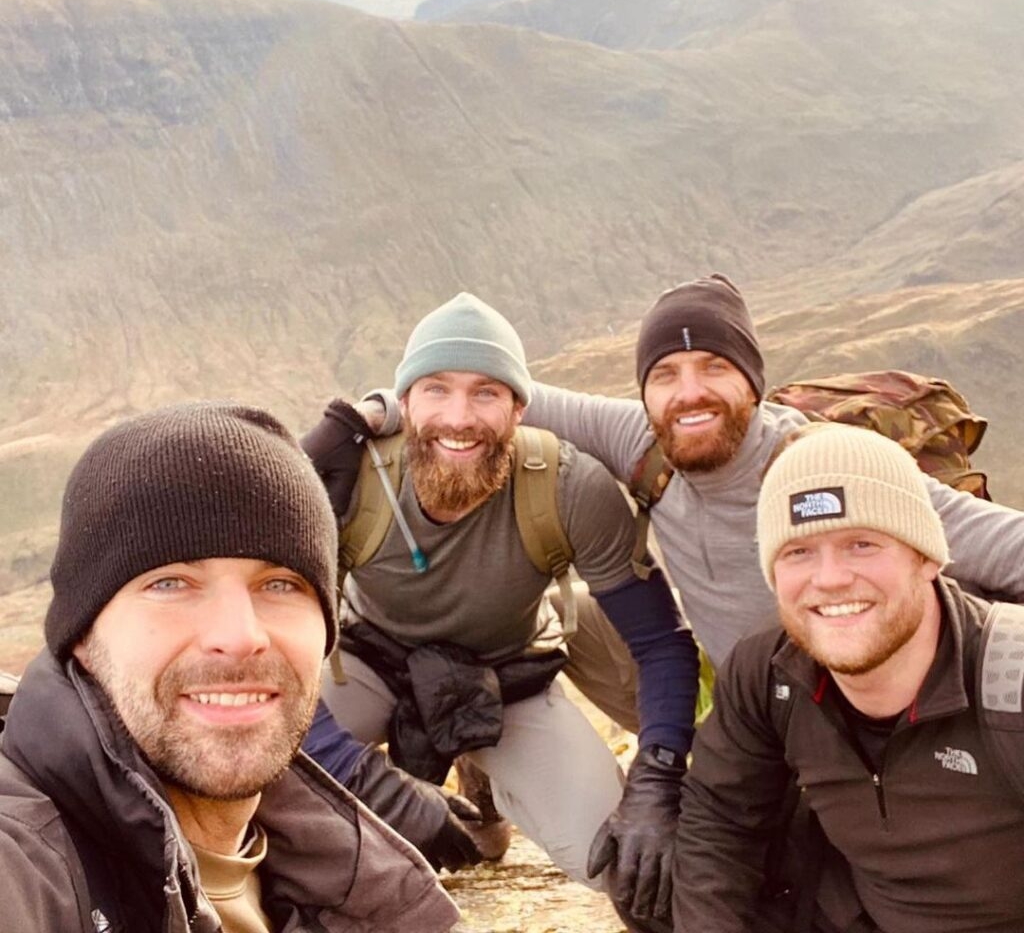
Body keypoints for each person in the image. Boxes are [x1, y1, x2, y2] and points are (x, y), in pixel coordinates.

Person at [301, 292, 700, 930]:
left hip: (507, 676)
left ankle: (481, 771)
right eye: (436, 390)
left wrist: (656, 776)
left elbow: (659, 642)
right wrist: (364, 778)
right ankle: (463, 773)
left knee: (623, 866)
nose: (459, 418)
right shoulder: (351, 481)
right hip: (369, 662)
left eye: (487, 393)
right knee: (260, 779)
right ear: (404, 403)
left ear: (520, 406)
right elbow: (268, 655)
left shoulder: (568, 487)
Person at [0, 403, 459, 933]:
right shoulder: (23, 869)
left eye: (281, 584)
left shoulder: (344, 880)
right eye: (170, 583)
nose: (241, 637)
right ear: (81, 635)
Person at [523, 273, 1024, 670]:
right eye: (666, 374)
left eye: (716, 367)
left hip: (849, 705)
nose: (690, 392)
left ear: (754, 385)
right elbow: (511, 393)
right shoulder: (645, 442)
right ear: (647, 393)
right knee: (578, 618)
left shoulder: (824, 463)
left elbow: (1003, 544)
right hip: (747, 700)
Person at [672, 422, 1024, 933]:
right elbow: (720, 821)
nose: (831, 578)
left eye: (862, 544)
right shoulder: (769, 673)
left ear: (926, 557)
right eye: (799, 551)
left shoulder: (1009, 681)